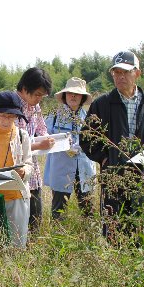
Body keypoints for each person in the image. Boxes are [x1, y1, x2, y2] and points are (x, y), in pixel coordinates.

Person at [80, 51, 144, 238]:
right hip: (112, 175)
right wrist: (104, 158)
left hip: (141, 174)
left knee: (139, 222)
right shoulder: (102, 103)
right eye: (116, 72)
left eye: (125, 72)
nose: (120, 77)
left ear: (137, 73)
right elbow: (86, 138)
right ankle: (116, 262)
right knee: (112, 225)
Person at [44, 77, 97, 219]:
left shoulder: (90, 117)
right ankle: (57, 237)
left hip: (84, 169)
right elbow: (43, 137)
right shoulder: (53, 116)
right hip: (61, 169)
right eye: (70, 93)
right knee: (58, 212)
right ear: (64, 96)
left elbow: (96, 141)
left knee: (88, 212)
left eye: (77, 94)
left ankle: (89, 237)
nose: (73, 96)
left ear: (82, 97)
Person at [0, 91, 32, 247]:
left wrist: (24, 171)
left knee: (17, 245)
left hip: (16, 197)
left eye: (12, 117)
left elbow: (29, 163)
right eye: (3, 116)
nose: (7, 120)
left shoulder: (22, 135)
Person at [15, 68, 56, 231]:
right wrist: (39, 145)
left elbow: (41, 128)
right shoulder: (11, 107)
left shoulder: (35, 107)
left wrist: (48, 138)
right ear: (25, 89)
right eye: (37, 94)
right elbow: (13, 144)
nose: (39, 99)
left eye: (42, 96)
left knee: (35, 219)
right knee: (18, 221)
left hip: (33, 170)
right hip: (16, 172)